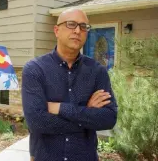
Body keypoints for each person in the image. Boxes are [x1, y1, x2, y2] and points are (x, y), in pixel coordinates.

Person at [21, 8, 118, 161]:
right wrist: (87, 113)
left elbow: (108, 118)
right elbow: (36, 122)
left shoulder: (97, 71)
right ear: (56, 30)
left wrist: (60, 108)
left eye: (83, 26)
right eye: (71, 24)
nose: (78, 30)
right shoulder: (35, 69)